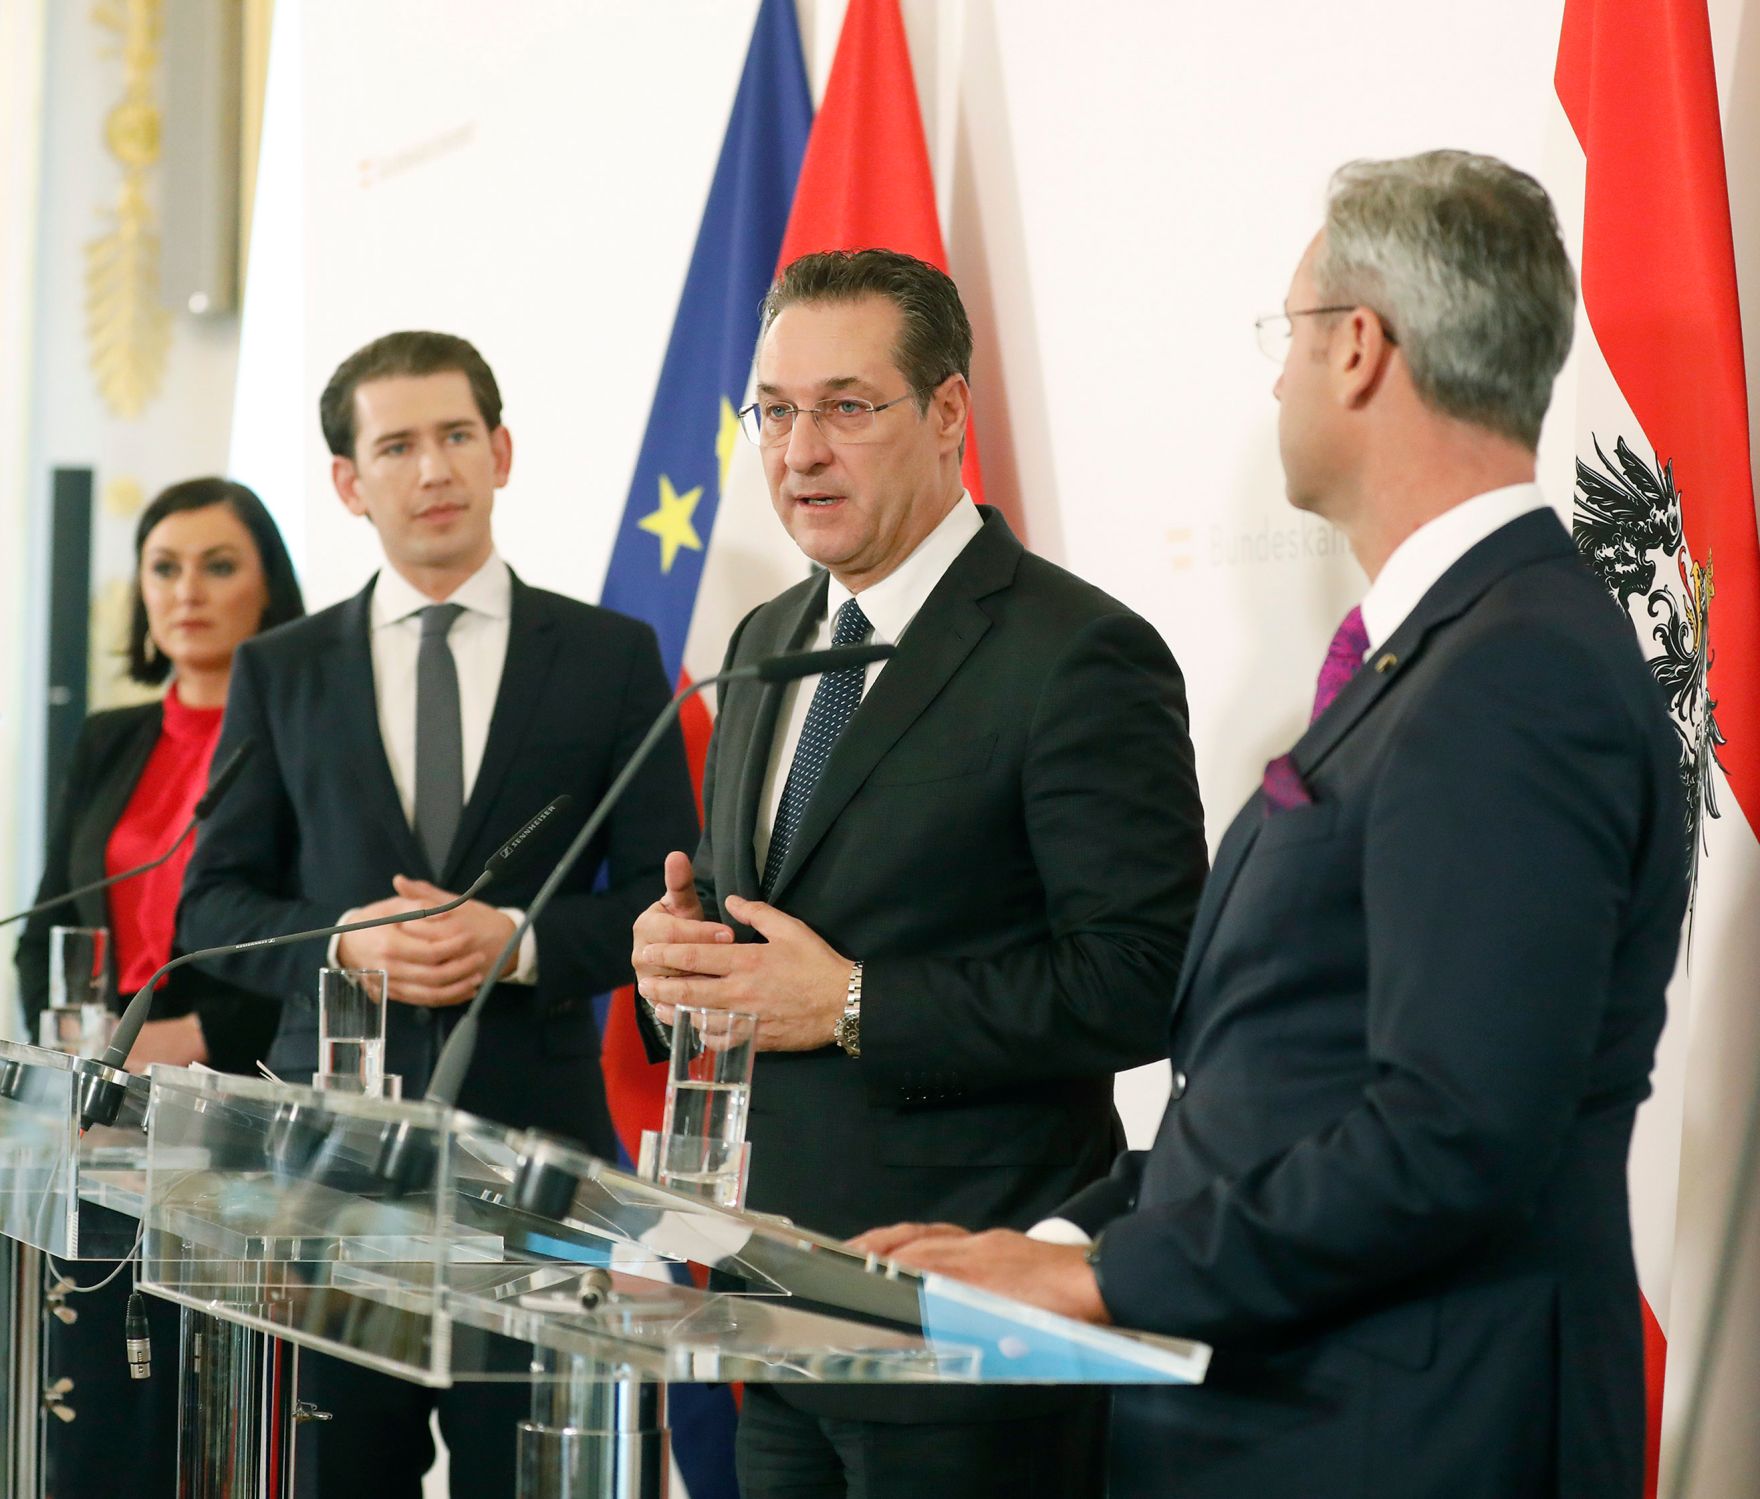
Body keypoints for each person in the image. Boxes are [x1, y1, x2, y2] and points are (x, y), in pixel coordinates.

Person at [860, 152, 1690, 1499]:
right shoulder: (1446, 648)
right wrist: (1072, 1225)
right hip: (1306, 1402)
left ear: (1360, 347)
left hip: (1401, 1428)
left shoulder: (1512, 673)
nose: (1276, 379)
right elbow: (1286, 1078)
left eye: (1289, 335)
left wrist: (1101, 1272)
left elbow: (1453, 1129)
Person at [631, 249, 1208, 1499]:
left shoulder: (1078, 654)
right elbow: (758, 947)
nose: (799, 452)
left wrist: (850, 1004)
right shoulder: (763, 638)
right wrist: (672, 968)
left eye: (846, 405)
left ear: (947, 414)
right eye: (774, 412)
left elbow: (1143, 978)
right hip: (777, 1301)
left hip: (965, 1304)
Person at [178, 331, 699, 1498]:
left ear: (502, 450)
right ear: (349, 483)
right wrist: (340, 940)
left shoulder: (610, 656)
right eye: (398, 444)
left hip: (537, 1167)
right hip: (327, 1174)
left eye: (457, 435)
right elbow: (209, 909)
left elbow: (673, 903)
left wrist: (517, 944)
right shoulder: (283, 669)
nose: (434, 469)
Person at [15, 475, 304, 1499]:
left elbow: (301, 949)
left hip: (230, 1124)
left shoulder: (304, 740)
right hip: (95, 1128)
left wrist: (169, 1042)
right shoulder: (111, 736)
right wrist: (69, 1055)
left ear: (268, 588)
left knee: (190, 1429)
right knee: (83, 1425)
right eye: (164, 567)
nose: (187, 589)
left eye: (219, 565)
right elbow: (50, 919)